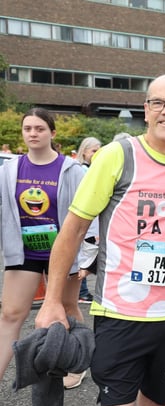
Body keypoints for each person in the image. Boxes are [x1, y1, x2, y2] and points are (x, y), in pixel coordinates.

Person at [35, 73, 165, 406]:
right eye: (158, 102)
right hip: (121, 313)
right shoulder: (117, 156)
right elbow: (73, 231)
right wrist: (53, 299)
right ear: (146, 110)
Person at [0, 108, 86, 383]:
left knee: (68, 307)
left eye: (39, 128)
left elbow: (87, 213)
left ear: (52, 133)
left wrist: (86, 256)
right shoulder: (9, 169)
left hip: (63, 251)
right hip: (24, 252)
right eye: (28, 129)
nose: (33, 134)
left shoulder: (72, 170)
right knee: (11, 313)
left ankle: (77, 361)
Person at [74, 136, 102, 305]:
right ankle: (82, 291)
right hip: (86, 222)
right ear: (84, 151)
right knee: (85, 254)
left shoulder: (90, 169)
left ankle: (82, 291)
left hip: (91, 223)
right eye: (94, 150)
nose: (97, 154)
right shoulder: (83, 171)